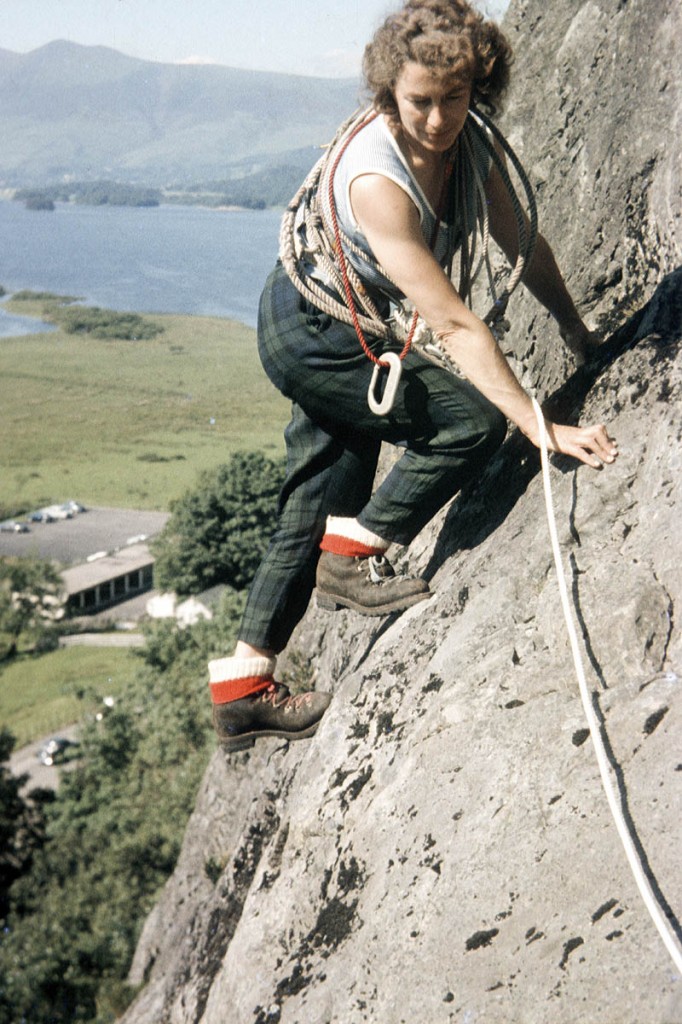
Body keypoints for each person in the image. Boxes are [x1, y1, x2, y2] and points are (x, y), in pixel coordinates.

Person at [207, 0, 618, 752]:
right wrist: (540, 424)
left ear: (478, 89)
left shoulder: (472, 151)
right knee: (472, 420)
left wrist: (572, 325)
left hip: (332, 318)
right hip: (315, 326)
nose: (436, 120)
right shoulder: (376, 178)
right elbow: (456, 324)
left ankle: (241, 685)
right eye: (419, 101)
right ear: (388, 91)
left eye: (454, 99)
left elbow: (518, 238)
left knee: (323, 491)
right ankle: (357, 553)